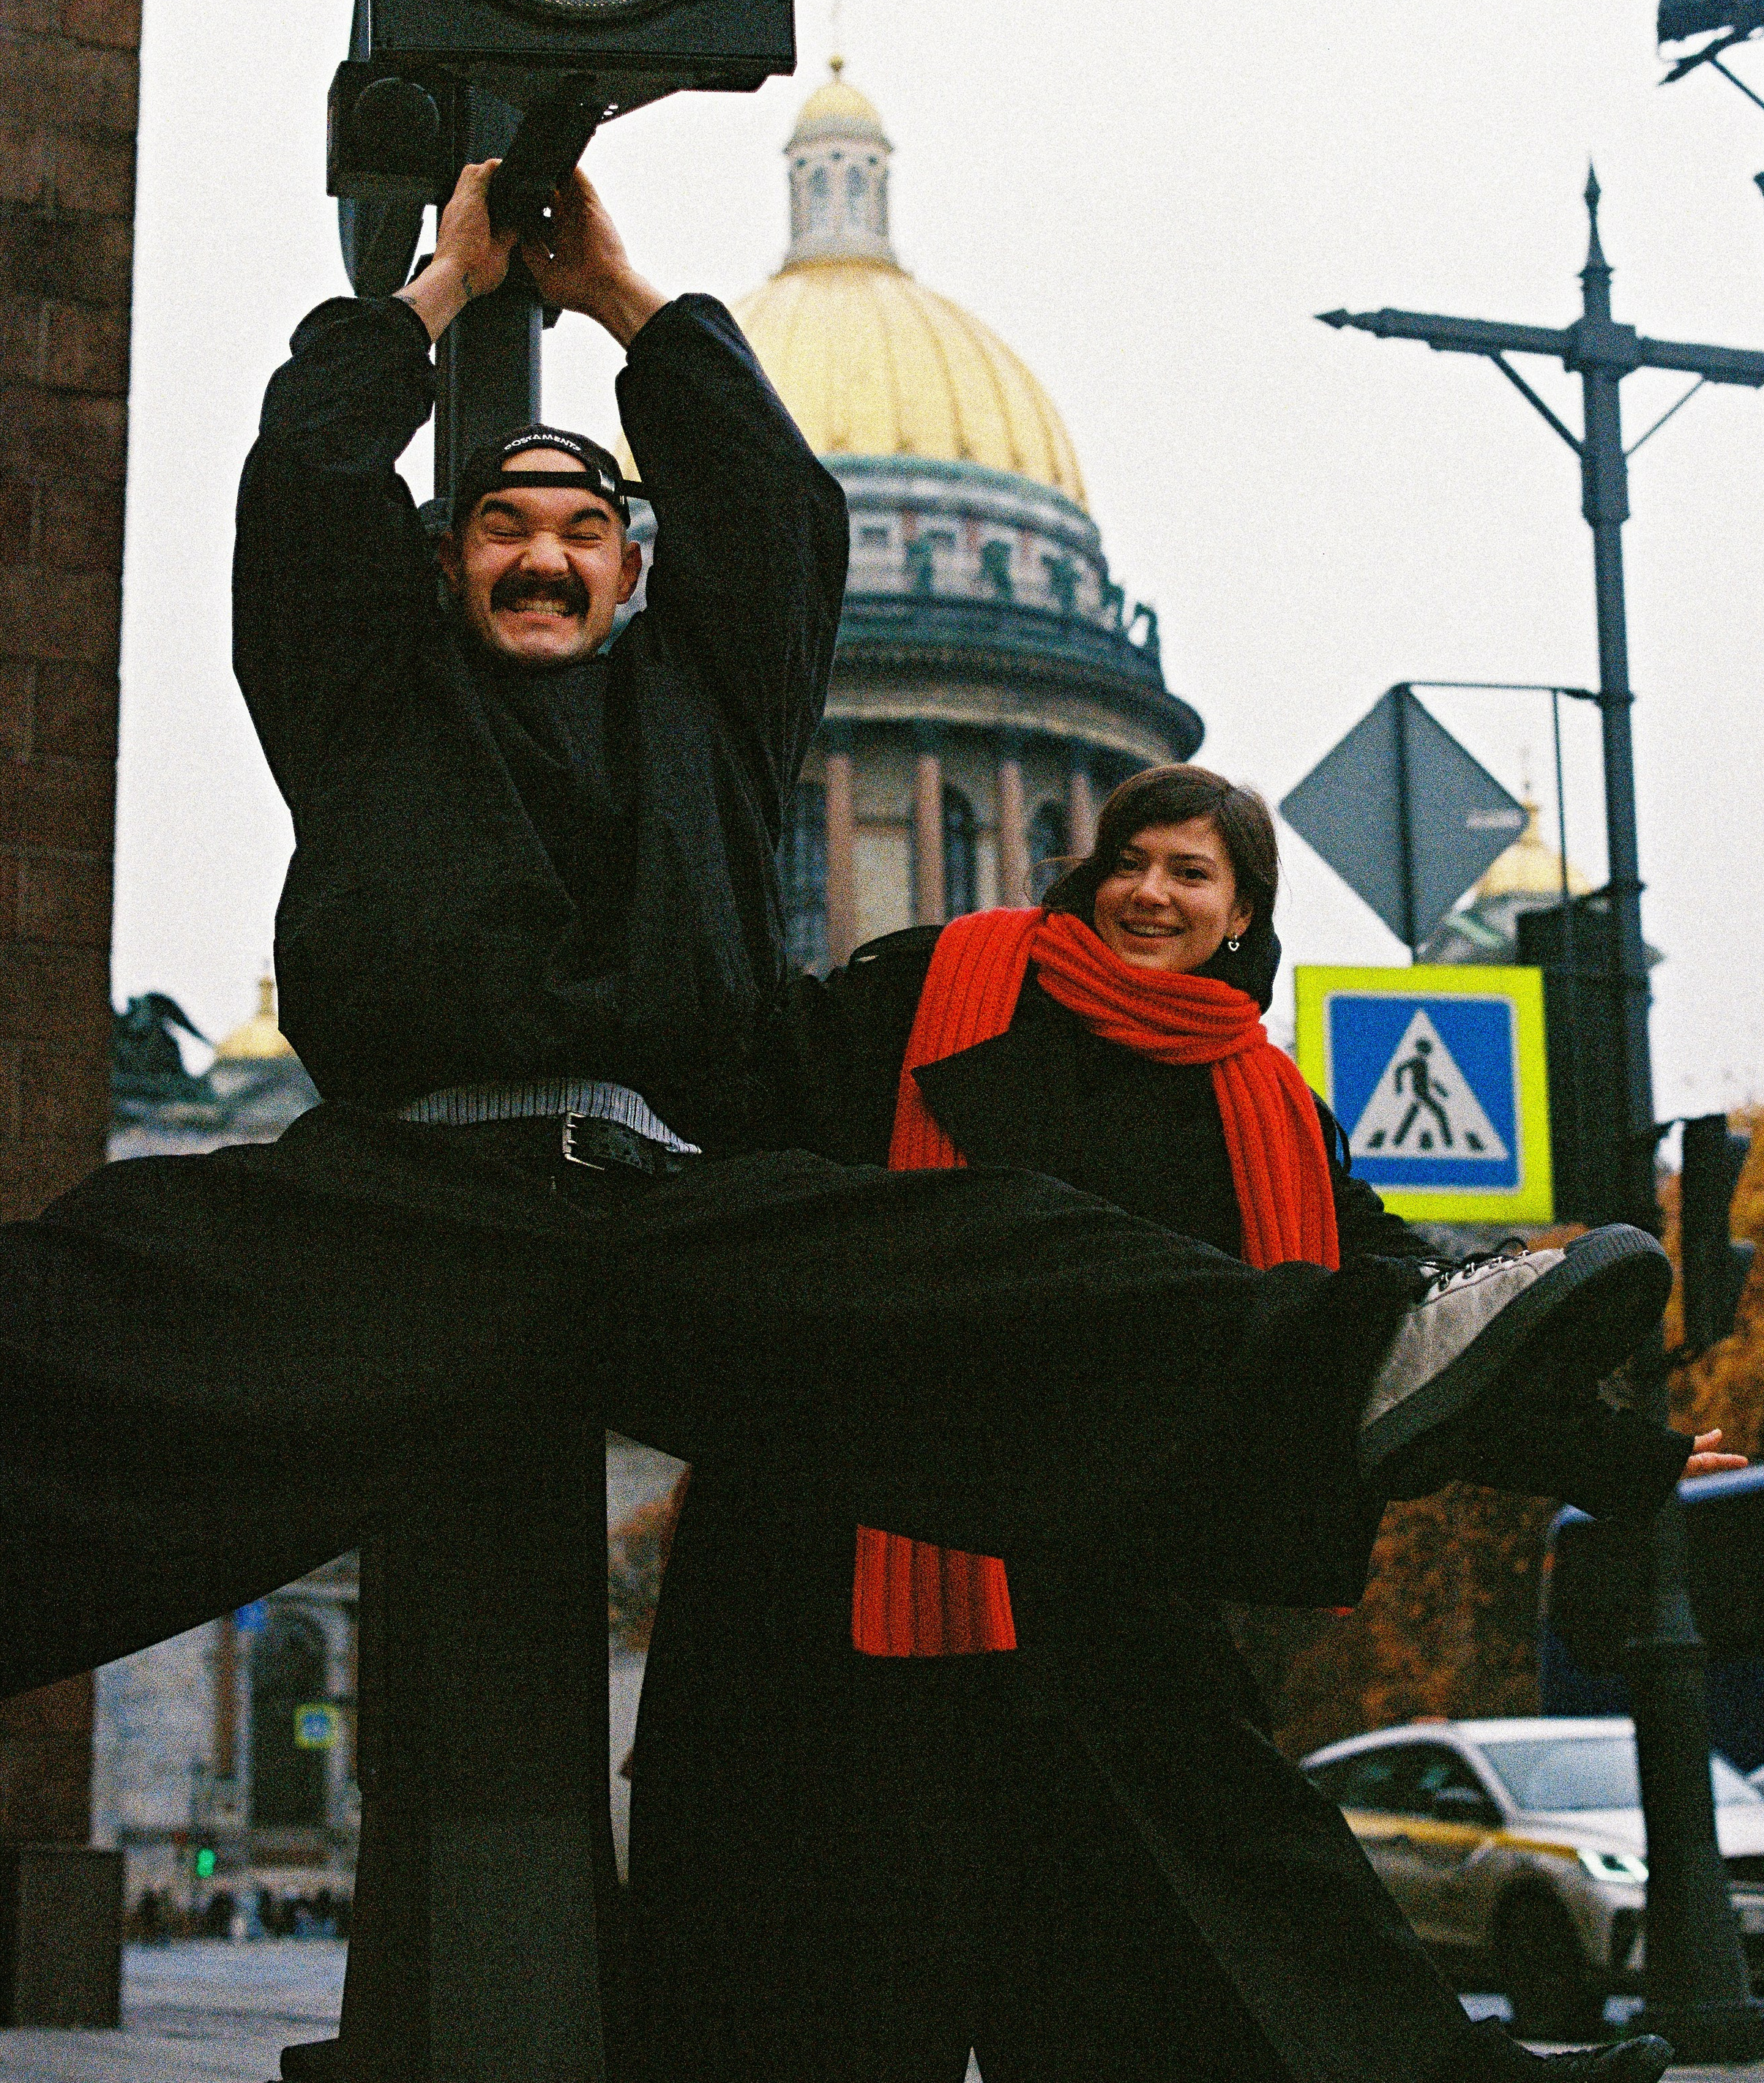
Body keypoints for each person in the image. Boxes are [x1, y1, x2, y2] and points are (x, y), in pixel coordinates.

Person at [4, 169, 1678, 2067]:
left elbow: (774, 517)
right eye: (502, 527)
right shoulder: (368, 698)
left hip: (652, 1193)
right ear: (439, 568)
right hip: (412, 1184)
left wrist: (625, 298)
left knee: (990, 1258)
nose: (543, 555)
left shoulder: (702, 723)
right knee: (83, 1316)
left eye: (585, 528)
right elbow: (304, 490)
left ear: (639, 572)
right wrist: (443, 287)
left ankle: (1364, 1355)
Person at [624, 764, 1740, 2083]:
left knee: (1219, 1917)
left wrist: (1618, 1451)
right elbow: (745, 1078)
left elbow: (1389, 1337)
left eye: (1189, 872)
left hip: (1094, 1582)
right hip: (851, 1551)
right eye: (1129, 861)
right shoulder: (936, 989)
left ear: (1241, 914)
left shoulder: (1270, 1114)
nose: (1149, 892)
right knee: (816, 1963)